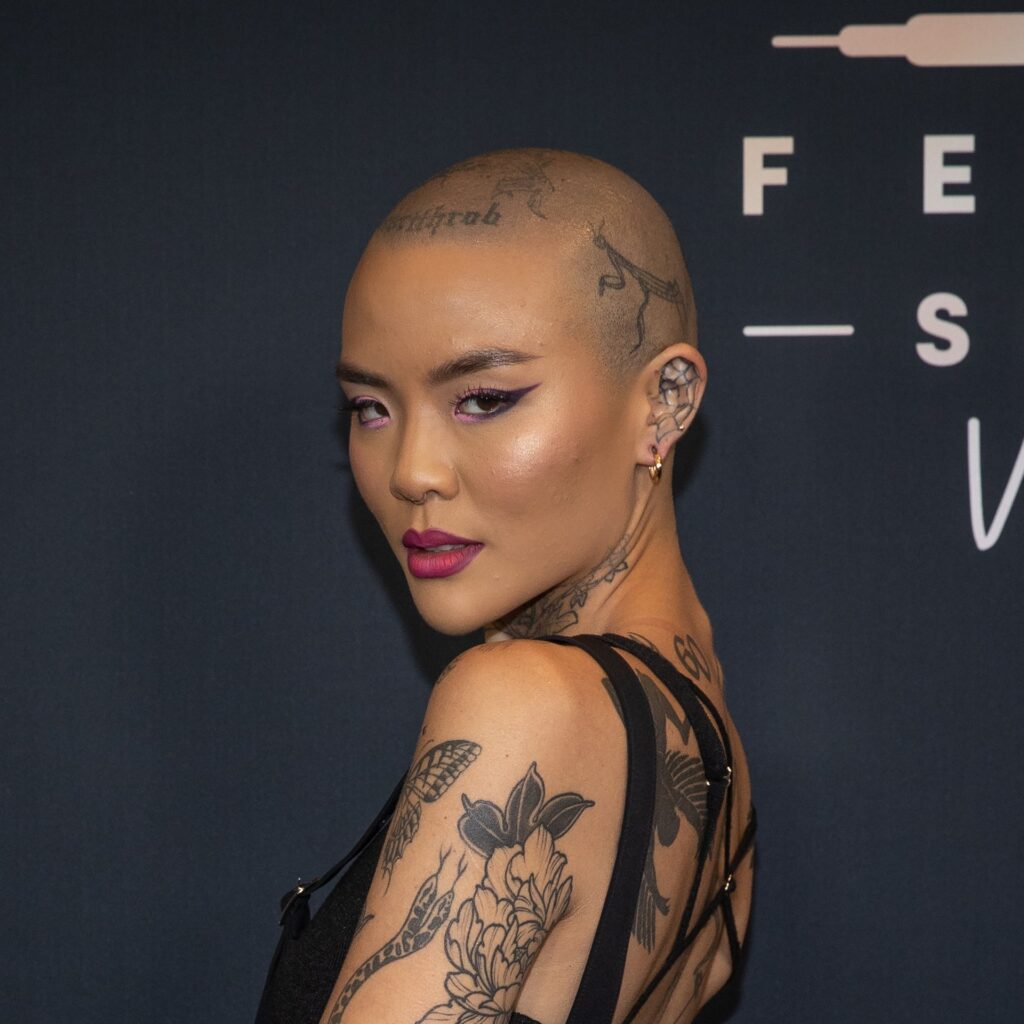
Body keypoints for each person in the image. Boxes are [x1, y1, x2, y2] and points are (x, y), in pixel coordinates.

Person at [256, 148, 756, 1024]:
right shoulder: (709, 741)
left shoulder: (521, 701)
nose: (412, 471)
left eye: (484, 399)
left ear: (666, 401)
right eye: (371, 408)